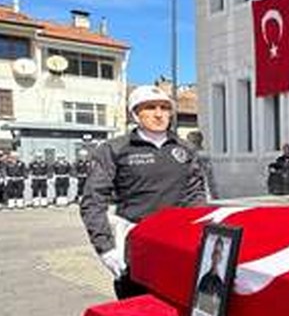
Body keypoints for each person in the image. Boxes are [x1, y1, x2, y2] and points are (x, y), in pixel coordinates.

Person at [80, 85, 207, 299]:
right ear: (135, 114)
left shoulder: (186, 149)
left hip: (178, 245)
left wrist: (199, 234)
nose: (159, 114)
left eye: (165, 108)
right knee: (139, 311)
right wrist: (105, 248)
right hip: (136, 245)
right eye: (150, 108)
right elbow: (93, 201)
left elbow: (195, 194)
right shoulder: (114, 149)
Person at [194, 236, 228, 316]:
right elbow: (196, 301)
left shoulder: (221, 283)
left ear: (221, 257)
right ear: (212, 255)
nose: (216, 256)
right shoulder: (204, 278)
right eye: (215, 252)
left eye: (218, 253)